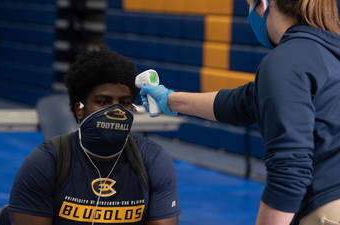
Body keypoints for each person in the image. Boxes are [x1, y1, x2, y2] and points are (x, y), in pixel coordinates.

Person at [140, 0, 340, 225]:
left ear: (264, 4)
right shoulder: (326, 55)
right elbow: (241, 103)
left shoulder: (286, 61)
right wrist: (169, 99)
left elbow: (290, 169)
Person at [8, 48, 181, 225]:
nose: (116, 111)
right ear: (80, 110)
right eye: (103, 102)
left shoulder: (153, 160)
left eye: (125, 103)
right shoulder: (47, 161)